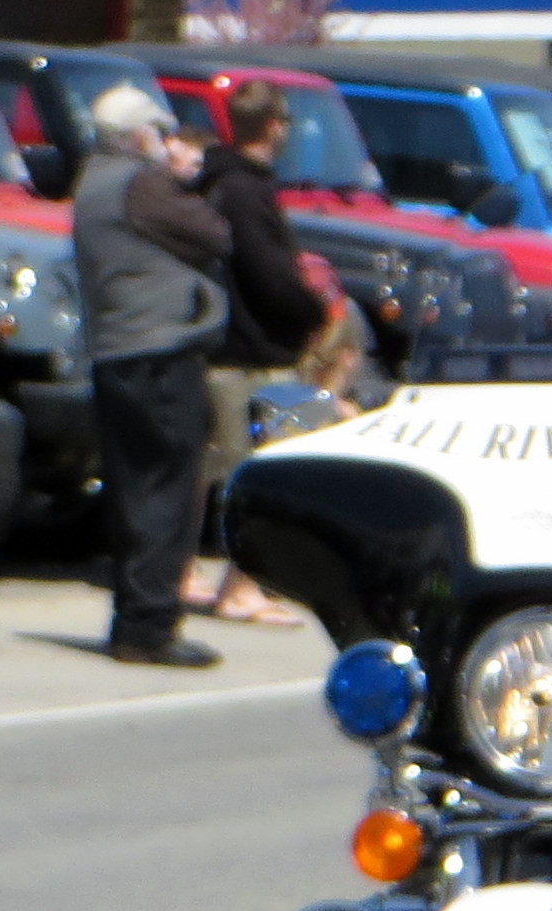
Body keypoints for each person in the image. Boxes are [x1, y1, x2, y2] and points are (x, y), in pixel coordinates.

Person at [73, 84, 230, 669]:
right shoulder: (141, 182)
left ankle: (136, 620)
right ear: (141, 135)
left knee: (138, 488)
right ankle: (150, 626)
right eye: (160, 133)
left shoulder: (92, 182)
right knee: (167, 488)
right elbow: (215, 233)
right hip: (158, 352)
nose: (167, 144)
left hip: (117, 352)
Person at [188, 84, 328, 628]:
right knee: (274, 473)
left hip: (229, 348)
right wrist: (312, 311)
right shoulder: (245, 191)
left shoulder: (219, 183)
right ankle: (241, 588)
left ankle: (201, 575)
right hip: (255, 354)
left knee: (221, 470)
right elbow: (269, 276)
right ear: (273, 126)